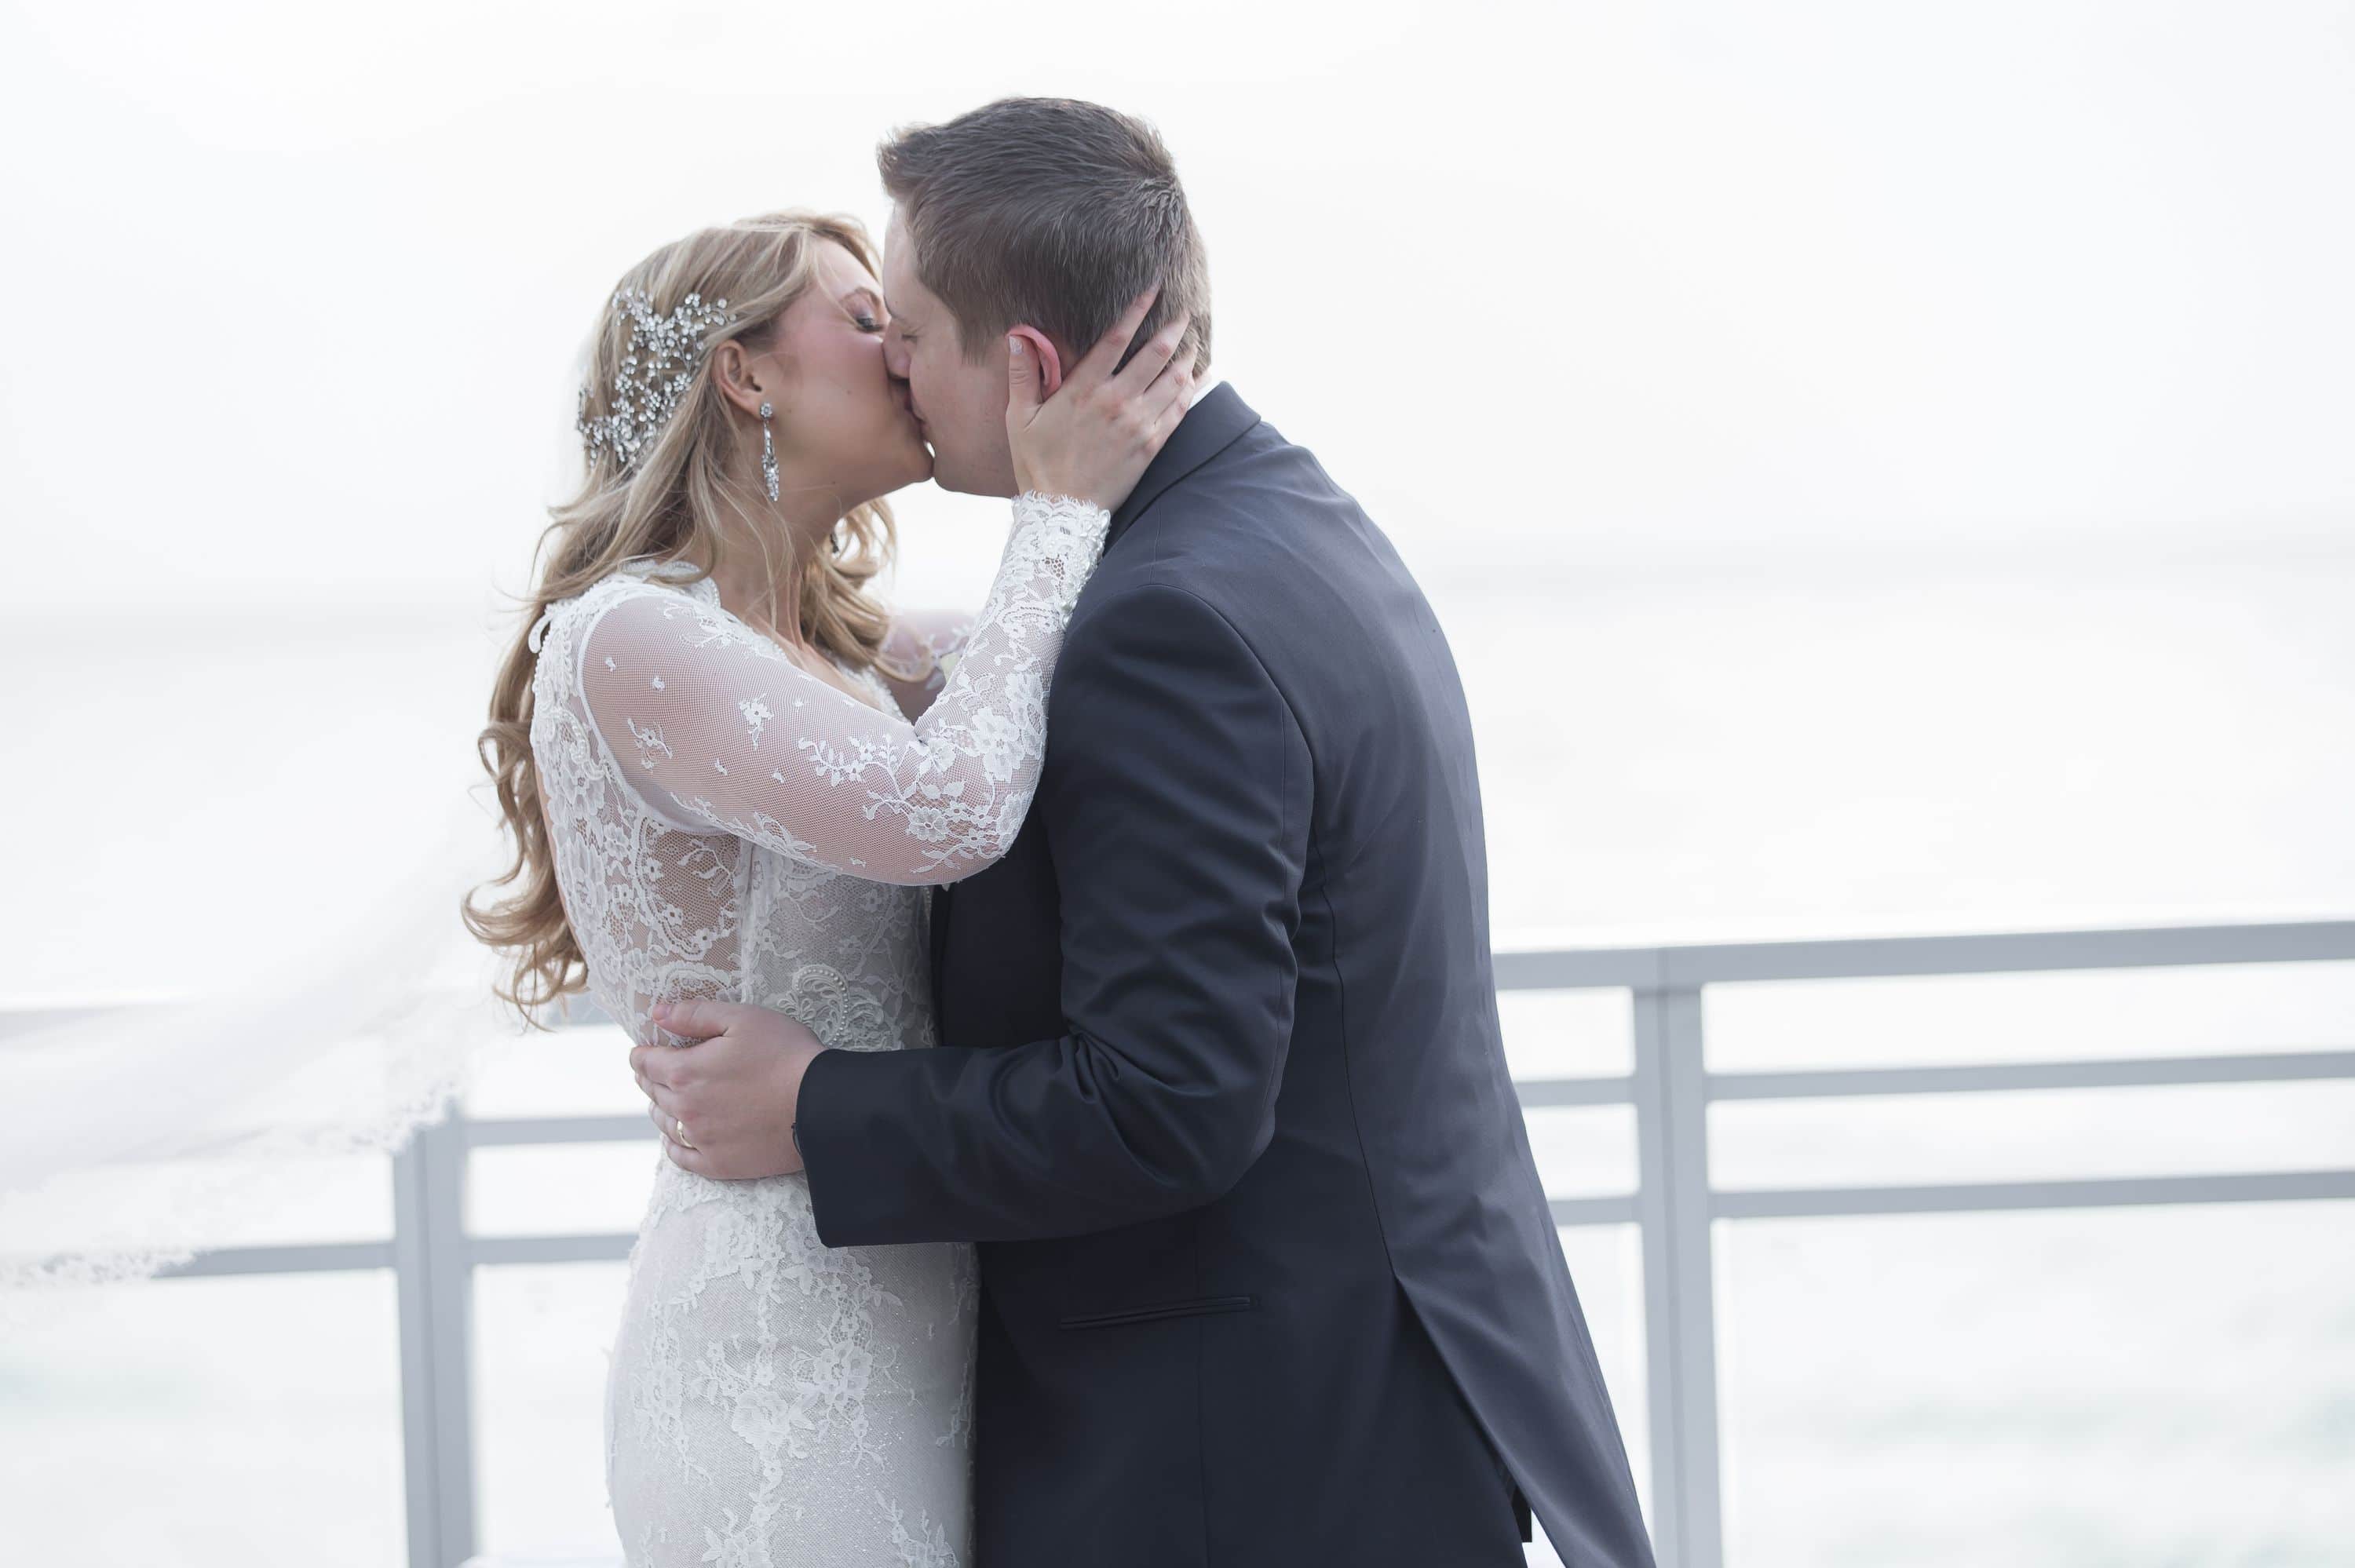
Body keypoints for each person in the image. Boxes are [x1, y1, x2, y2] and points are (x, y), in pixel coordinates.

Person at [629, 100, 1657, 1566]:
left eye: (909, 327)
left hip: (1245, 1458)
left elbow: (1170, 1098)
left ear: (1031, 367)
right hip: (1368, 1390)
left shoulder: (1164, 623)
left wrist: (815, 1104)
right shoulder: (1294, 524)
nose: (896, 365)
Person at [466, 207, 1196, 1566]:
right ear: (745, 374)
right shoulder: (636, 635)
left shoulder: (845, 653)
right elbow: (954, 807)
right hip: (771, 1359)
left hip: (916, 1308)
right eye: (868, 321)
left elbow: (1044, 677)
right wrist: (1059, 509)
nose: (910, 353)